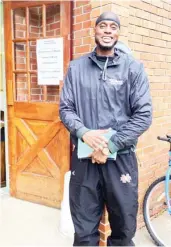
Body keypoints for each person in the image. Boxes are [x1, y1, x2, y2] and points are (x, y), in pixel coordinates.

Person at [59, 11, 152, 246]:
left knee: (123, 227)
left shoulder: (133, 69)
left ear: (118, 33)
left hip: (120, 159)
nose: (108, 30)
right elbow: (66, 108)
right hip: (84, 159)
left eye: (113, 26)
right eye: (103, 26)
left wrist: (108, 146)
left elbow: (143, 115)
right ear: (95, 31)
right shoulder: (76, 68)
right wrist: (85, 133)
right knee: (83, 227)